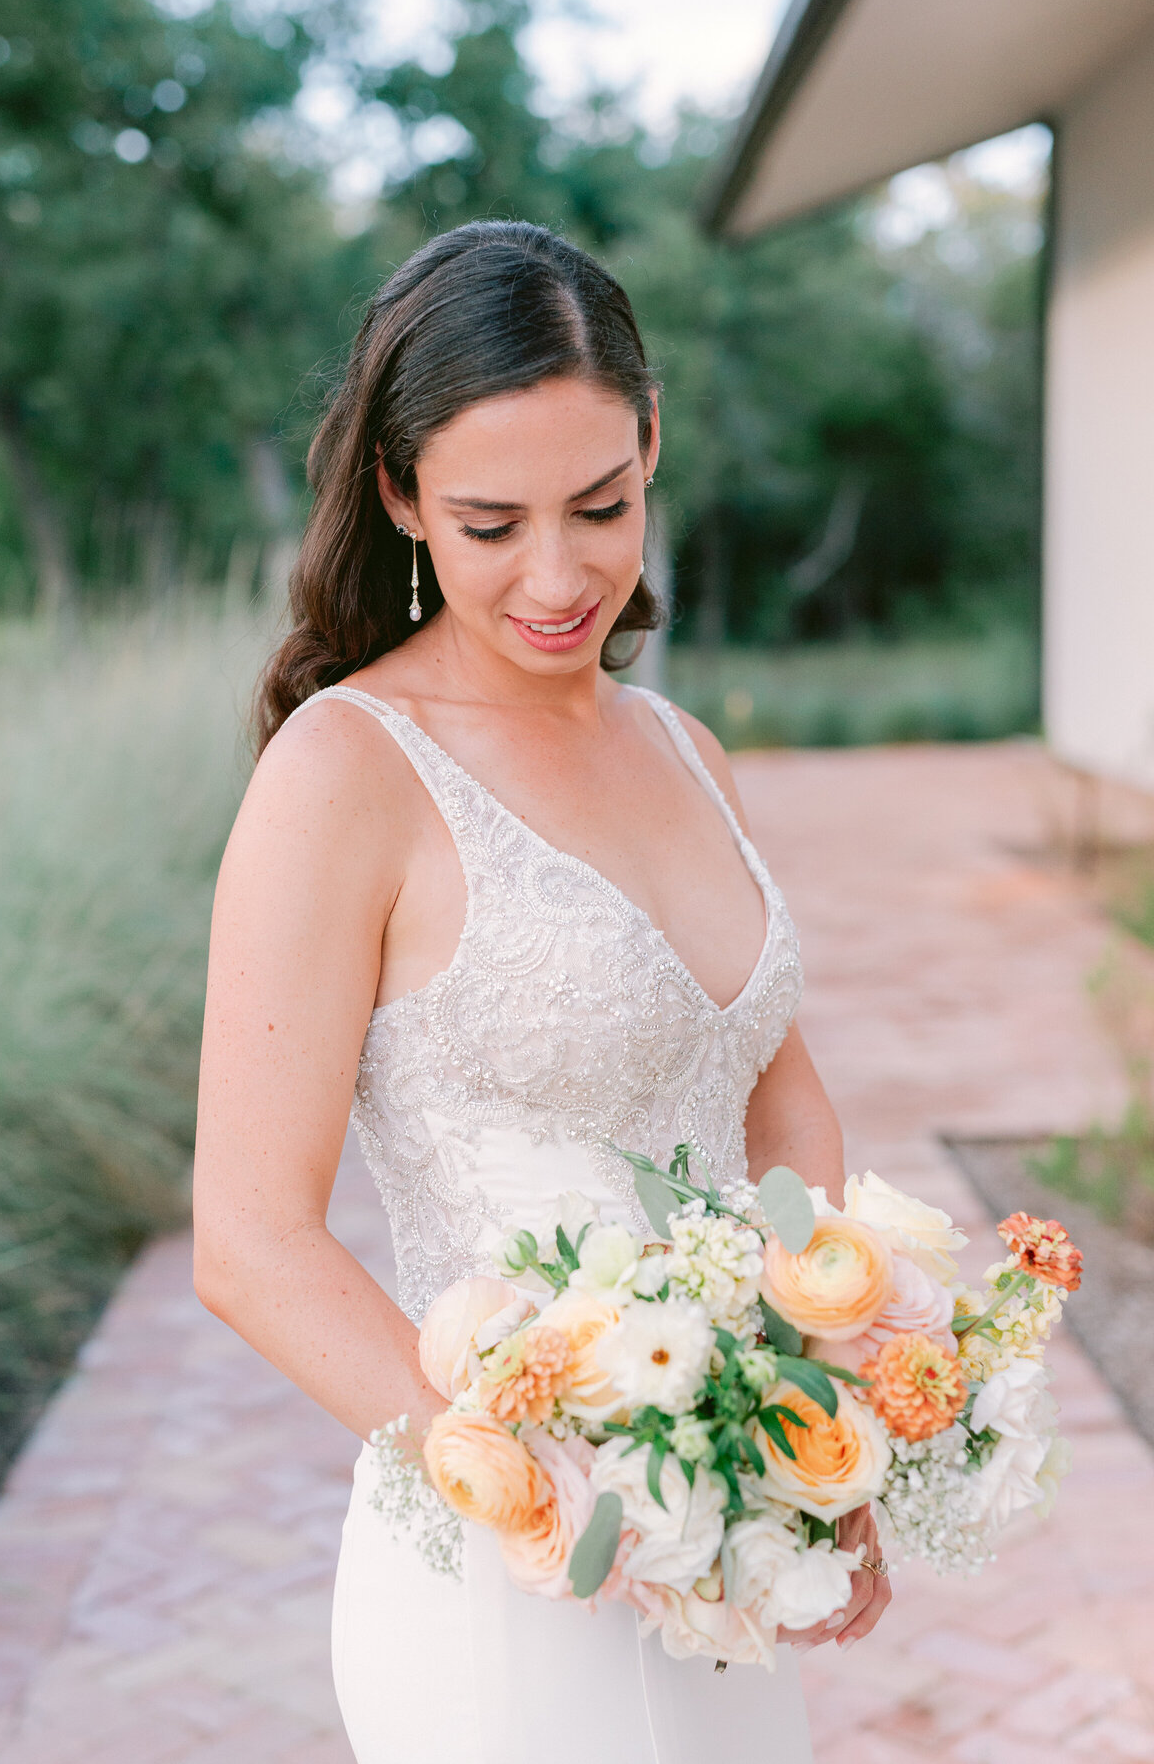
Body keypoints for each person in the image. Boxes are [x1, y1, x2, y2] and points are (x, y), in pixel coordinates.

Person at [192, 219, 891, 1764]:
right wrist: (525, 1476)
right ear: (398, 497)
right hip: (505, 1572)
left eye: (602, 505)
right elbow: (249, 1243)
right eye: (492, 522)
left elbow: (776, 1092)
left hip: (726, 1546)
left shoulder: (683, 749)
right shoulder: (345, 775)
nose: (560, 575)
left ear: (652, 448)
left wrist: (828, 1438)